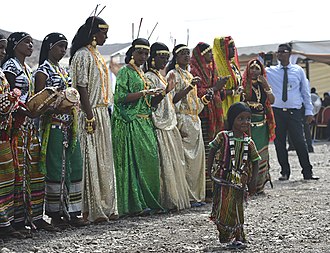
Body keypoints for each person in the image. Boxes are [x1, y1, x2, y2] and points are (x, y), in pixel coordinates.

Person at [2, 32, 56, 235]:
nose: (31, 45)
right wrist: (26, 111)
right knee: (18, 172)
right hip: (16, 126)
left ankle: (31, 216)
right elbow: (7, 100)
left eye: (32, 42)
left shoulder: (26, 67)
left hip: (29, 125)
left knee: (32, 171)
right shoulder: (9, 68)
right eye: (26, 42)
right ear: (15, 45)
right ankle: (14, 221)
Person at [34, 32, 85, 229]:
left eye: (65, 47)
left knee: (75, 164)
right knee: (55, 167)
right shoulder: (42, 72)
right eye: (59, 46)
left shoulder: (63, 70)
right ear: (49, 47)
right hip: (53, 125)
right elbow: (39, 103)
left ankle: (72, 211)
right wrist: (58, 106)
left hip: (69, 125)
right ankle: (55, 214)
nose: (63, 51)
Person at [70, 16, 118, 223]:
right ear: (93, 34)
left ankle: (106, 206)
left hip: (101, 111)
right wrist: (89, 115)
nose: (106, 36)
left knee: (103, 159)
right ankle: (90, 209)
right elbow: (81, 86)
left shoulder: (97, 54)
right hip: (89, 113)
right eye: (103, 32)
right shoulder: (82, 55)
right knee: (90, 157)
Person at [111, 38, 164, 216]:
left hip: (145, 122)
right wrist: (143, 93)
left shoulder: (141, 73)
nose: (143, 56)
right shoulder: (125, 72)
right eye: (140, 52)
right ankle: (135, 204)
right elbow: (119, 98)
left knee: (149, 160)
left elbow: (149, 103)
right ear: (132, 52)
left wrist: (163, 93)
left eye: (146, 53)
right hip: (130, 122)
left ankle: (148, 200)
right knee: (135, 163)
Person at [144, 42, 190, 212]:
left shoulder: (160, 76)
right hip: (159, 125)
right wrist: (165, 91)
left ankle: (174, 199)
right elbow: (151, 102)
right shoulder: (148, 77)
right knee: (164, 165)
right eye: (160, 57)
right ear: (153, 58)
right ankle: (166, 200)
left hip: (169, 124)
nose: (164, 61)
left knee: (173, 162)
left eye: (166, 57)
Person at [207, 102, 260, 249]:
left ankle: (238, 237)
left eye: (248, 119)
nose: (245, 122)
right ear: (232, 120)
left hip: (239, 182)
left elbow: (256, 161)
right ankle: (225, 233)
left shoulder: (249, 142)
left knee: (237, 209)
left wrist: (253, 180)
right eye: (241, 118)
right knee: (222, 209)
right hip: (223, 180)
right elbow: (211, 150)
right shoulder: (223, 137)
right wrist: (209, 170)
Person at [166, 44, 210, 207]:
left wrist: (205, 100)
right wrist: (191, 86)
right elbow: (173, 99)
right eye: (182, 54)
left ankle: (197, 196)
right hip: (182, 120)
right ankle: (187, 196)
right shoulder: (173, 74)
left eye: (188, 53)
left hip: (194, 120)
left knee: (196, 162)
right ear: (176, 57)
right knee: (185, 160)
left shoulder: (189, 74)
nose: (186, 56)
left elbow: (194, 102)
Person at [266, 43, 319, 180]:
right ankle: (284, 172)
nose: (280, 54)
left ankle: (307, 172)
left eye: (283, 52)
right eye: (278, 52)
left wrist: (309, 111)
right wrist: (261, 59)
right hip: (277, 112)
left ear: (290, 54)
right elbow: (255, 70)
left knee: (300, 142)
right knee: (279, 143)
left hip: (294, 112)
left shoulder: (298, 70)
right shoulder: (270, 71)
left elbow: (305, 91)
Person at [190, 42, 229, 200]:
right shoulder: (193, 70)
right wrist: (215, 88)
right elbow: (196, 93)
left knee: (217, 149)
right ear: (200, 55)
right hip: (203, 115)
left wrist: (222, 88)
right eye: (208, 53)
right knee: (207, 151)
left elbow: (218, 91)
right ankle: (205, 188)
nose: (211, 56)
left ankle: (216, 184)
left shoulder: (213, 69)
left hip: (216, 115)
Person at [0, 33, 26, 239]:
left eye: (2, 48)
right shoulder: (6, 70)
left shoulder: (1, 72)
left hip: (4, 133)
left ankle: (5, 222)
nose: (1, 52)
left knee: (7, 177)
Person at [242, 59, 276, 194]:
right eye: (252, 68)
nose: (254, 71)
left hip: (263, 124)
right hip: (249, 124)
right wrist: (252, 104)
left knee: (263, 154)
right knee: (251, 154)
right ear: (248, 70)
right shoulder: (244, 84)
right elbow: (241, 101)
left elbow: (272, 100)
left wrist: (266, 85)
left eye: (257, 68)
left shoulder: (263, 84)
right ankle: (250, 185)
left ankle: (260, 185)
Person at [213, 36, 243, 122]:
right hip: (224, 107)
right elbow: (216, 90)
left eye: (233, 46)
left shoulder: (233, 65)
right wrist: (233, 92)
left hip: (236, 104)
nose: (233, 49)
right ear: (222, 49)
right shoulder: (216, 68)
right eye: (230, 47)